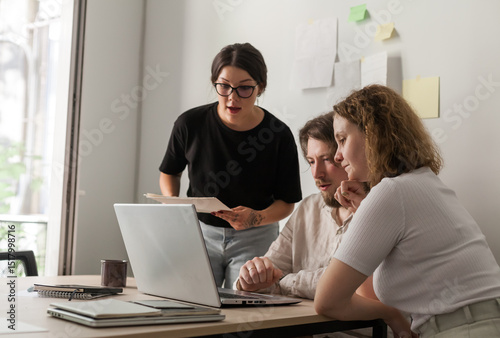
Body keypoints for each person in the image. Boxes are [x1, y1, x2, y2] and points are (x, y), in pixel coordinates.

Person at [314, 84, 500, 338]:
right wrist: (364, 212)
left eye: (342, 140)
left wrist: (391, 315)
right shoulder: (422, 182)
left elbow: (327, 301)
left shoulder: (392, 193)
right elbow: (371, 293)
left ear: (371, 134)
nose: (337, 156)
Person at [159, 43, 302, 288]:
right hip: (200, 232)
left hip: (257, 237)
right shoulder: (189, 123)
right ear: (214, 82)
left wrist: (256, 218)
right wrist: (173, 203)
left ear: (261, 87)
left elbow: (286, 202)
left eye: (245, 88)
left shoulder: (278, 134)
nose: (232, 97)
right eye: (223, 86)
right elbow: (169, 172)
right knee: (197, 305)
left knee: (247, 307)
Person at [236, 112, 376, 338]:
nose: (316, 173)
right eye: (311, 161)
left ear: (347, 155)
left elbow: (340, 286)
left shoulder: (376, 209)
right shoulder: (308, 208)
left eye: (327, 159)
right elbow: (271, 272)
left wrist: (284, 281)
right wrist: (251, 280)